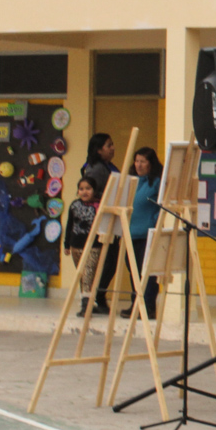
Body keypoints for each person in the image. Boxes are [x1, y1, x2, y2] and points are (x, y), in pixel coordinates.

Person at [83, 133, 121, 313]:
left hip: (111, 219)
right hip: (100, 220)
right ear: (99, 150)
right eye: (108, 145)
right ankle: (94, 296)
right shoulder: (96, 170)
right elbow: (91, 195)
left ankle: (98, 294)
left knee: (110, 261)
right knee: (103, 261)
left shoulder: (107, 167)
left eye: (112, 144)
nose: (113, 148)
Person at [129, 147, 163, 320]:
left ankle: (148, 306)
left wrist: (155, 220)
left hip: (147, 233)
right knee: (132, 270)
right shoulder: (132, 181)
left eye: (143, 161)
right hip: (130, 234)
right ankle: (135, 304)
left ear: (151, 164)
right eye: (136, 161)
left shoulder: (157, 182)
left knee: (147, 272)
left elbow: (163, 204)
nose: (138, 165)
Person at [65, 176, 100, 317]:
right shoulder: (74, 206)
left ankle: (86, 304)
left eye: (88, 189)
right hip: (76, 245)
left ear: (94, 190)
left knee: (89, 272)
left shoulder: (99, 205)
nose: (84, 192)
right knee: (82, 274)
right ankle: (88, 301)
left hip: (94, 245)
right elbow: (69, 225)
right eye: (81, 189)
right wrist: (67, 244)